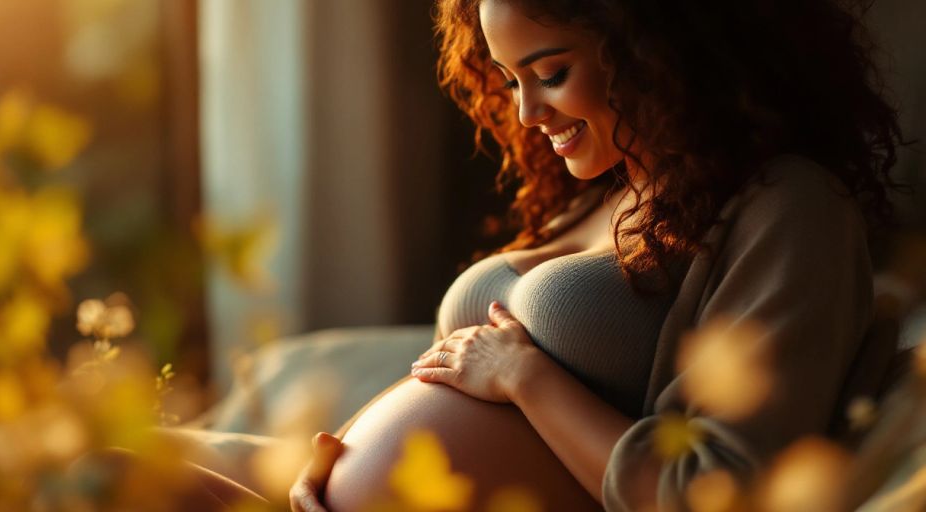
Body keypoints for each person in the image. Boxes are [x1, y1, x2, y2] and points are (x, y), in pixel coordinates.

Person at [287, 0, 907, 510]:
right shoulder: (598, 198)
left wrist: (524, 377)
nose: (527, 114)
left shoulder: (791, 207)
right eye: (510, 81)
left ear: (655, 50)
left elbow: (720, 493)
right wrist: (334, 460)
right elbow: (448, 371)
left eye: (551, 74)